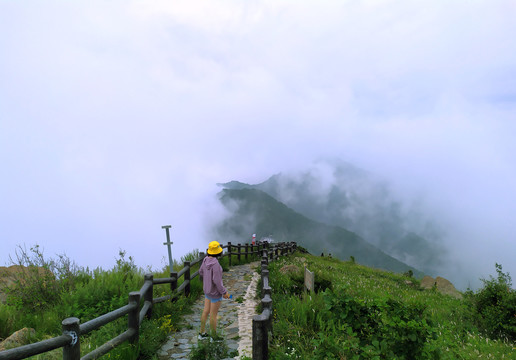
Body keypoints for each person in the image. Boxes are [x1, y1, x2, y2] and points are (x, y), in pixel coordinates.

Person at [198, 241, 230, 340]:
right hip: (215, 293)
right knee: (213, 315)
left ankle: (202, 333)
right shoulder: (215, 264)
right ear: (218, 252)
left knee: (205, 312)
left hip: (207, 291)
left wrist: (207, 281)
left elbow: (201, 272)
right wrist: (224, 292)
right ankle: (214, 336)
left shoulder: (205, 260)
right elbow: (217, 281)